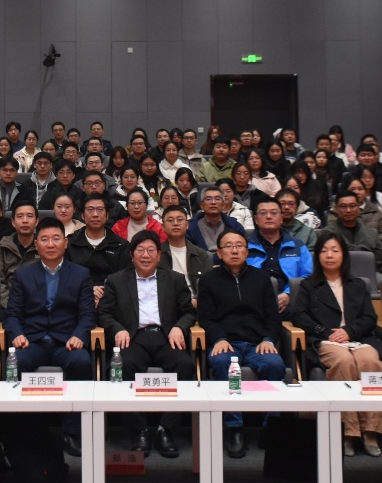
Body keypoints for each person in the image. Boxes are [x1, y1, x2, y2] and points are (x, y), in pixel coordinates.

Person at [289, 234, 382, 457]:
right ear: (318, 256)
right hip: (327, 340)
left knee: (370, 362)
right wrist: (324, 332)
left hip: (358, 339)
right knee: (344, 362)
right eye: (324, 250)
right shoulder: (309, 285)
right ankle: (348, 431)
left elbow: (370, 317)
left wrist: (350, 331)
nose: (329, 255)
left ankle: (371, 430)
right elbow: (299, 315)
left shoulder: (358, 285)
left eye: (335, 250)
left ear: (344, 255)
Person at [98, 231, 197, 457]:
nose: (145, 255)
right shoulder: (116, 280)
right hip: (133, 337)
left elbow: (188, 312)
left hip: (165, 336)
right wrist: (118, 329)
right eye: (140, 251)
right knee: (122, 367)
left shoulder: (174, 279)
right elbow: (103, 313)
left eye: (151, 250)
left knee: (184, 366)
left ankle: (166, 430)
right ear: (131, 255)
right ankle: (139, 430)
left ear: (159, 255)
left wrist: (179, 327)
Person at [4, 218, 94, 456]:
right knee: (16, 363)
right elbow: (12, 314)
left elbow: (87, 314)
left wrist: (79, 335)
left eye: (56, 239)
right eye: (44, 239)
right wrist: (17, 334)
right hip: (32, 341)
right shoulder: (23, 275)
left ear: (66, 243)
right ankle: (25, 431)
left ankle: (72, 432)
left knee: (82, 362)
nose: (51, 244)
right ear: (36, 244)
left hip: (66, 341)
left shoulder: (81, 274)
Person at [197, 230, 286, 458]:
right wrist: (219, 338)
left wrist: (268, 339)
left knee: (274, 364)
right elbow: (206, 317)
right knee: (222, 362)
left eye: (239, 245)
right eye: (228, 246)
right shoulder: (208, 281)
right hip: (227, 343)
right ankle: (234, 427)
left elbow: (273, 316)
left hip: (257, 343)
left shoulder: (262, 279)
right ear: (219, 253)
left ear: (247, 251)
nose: (234, 250)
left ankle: (271, 427)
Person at [244, 196, 313, 313]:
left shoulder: (298, 245)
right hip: (253, 302)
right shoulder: (245, 246)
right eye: (263, 213)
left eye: (274, 213)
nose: (269, 216)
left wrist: (289, 294)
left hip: (291, 303)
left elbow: (308, 275)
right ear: (255, 219)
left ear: (281, 218)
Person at [66, 194, 130, 298]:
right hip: (77, 297)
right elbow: (65, 277)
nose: (95, 214)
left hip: (111, 298)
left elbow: (125, 279)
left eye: (100, 209)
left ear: (107, 215)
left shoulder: (121, 245)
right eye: (90, 210)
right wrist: (88, 289)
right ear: (82, 215)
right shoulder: (70, 243)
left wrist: (104, 293)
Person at [0, 200, 41, 308]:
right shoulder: (2, 247)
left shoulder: (44, 246)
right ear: (13, 222)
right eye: (20, 216)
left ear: (36, 222)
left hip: (39, 306)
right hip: (9, 305)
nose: (25, 221)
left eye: (29, 216)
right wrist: (11, 304)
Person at [322, 192, 382, 273]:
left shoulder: (372, 233)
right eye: (343, 206)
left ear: (359, 207)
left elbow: (379, 263)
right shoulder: (327, 233)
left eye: (352, 206)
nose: (348, 210)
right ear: (336, 209)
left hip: (368, 274)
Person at [159, 204, 210, 301]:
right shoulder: (157, 254)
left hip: (195, 302)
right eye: (170, 220)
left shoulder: (201, 255)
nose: (175, 223)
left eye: (180, 219)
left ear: (187, 225)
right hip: (166, 303)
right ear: (163, 226)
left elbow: (208, 288)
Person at [186, 184, 245, 250]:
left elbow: (243, 247)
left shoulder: (234, 226)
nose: (213, 202)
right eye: (208, 199)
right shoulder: (190, 227)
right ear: (202, 205)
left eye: (217, 199)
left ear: (223, 205)